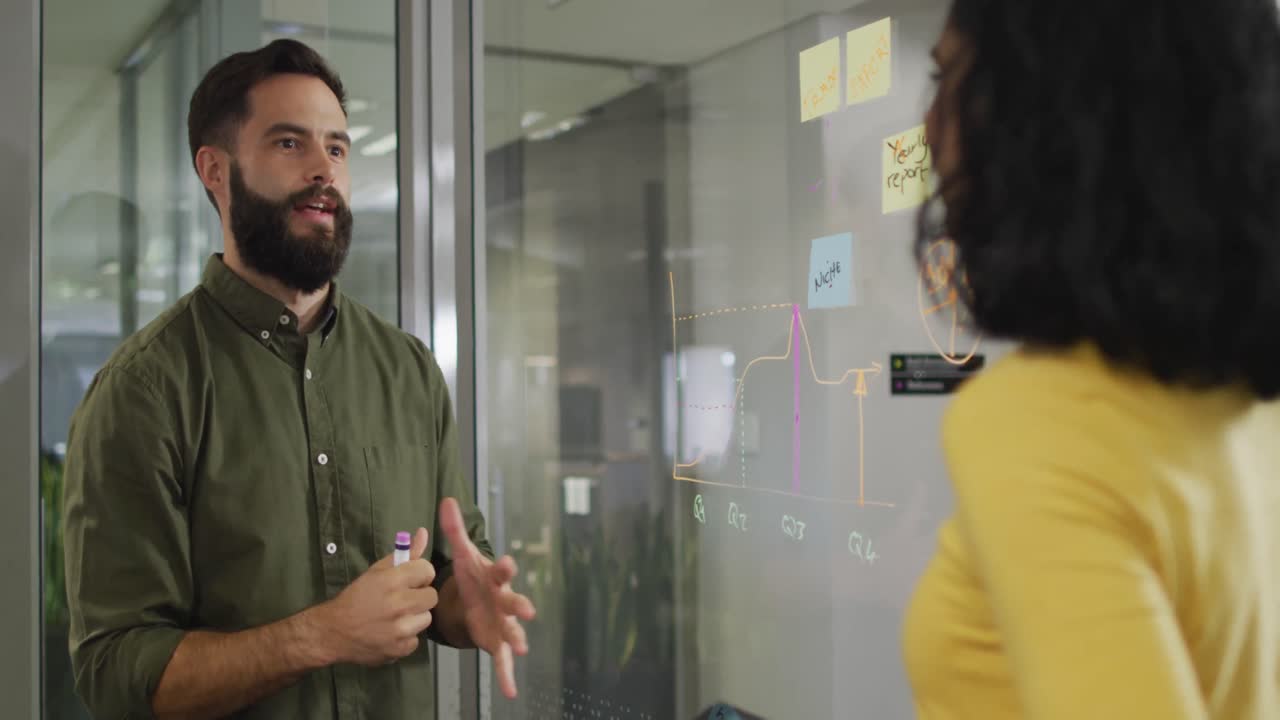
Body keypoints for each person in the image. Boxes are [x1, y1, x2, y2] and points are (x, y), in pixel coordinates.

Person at [61, 39, 536, 720]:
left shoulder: (407, 370)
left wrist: (471, 604)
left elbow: (445, 581)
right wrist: (318, 637)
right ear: (216, 171)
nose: (324, 170)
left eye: (338, 149)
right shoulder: (144, 391)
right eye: (290, 144)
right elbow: (117, 673)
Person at [903, 1, 1280, 718]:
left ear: (1061, 124)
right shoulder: (1250, 406)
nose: (927, 133)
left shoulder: (1040, 420)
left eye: (955, 81)